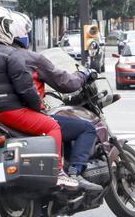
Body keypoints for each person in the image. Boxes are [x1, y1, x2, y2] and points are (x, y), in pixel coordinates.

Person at [0, 5, 77, 188]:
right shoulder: (10, 54)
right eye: (7, 24)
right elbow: (26, 89)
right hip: (9, 112)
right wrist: (38, 108)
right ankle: (58, 172)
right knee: (53, 126)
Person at [8, 12, 102, 192]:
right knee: (86, 128)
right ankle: (74, 173)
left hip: (6, 119)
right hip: (28, 117)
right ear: (21, 34)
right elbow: (65, 83)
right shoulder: (32, 59)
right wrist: (83, 74)